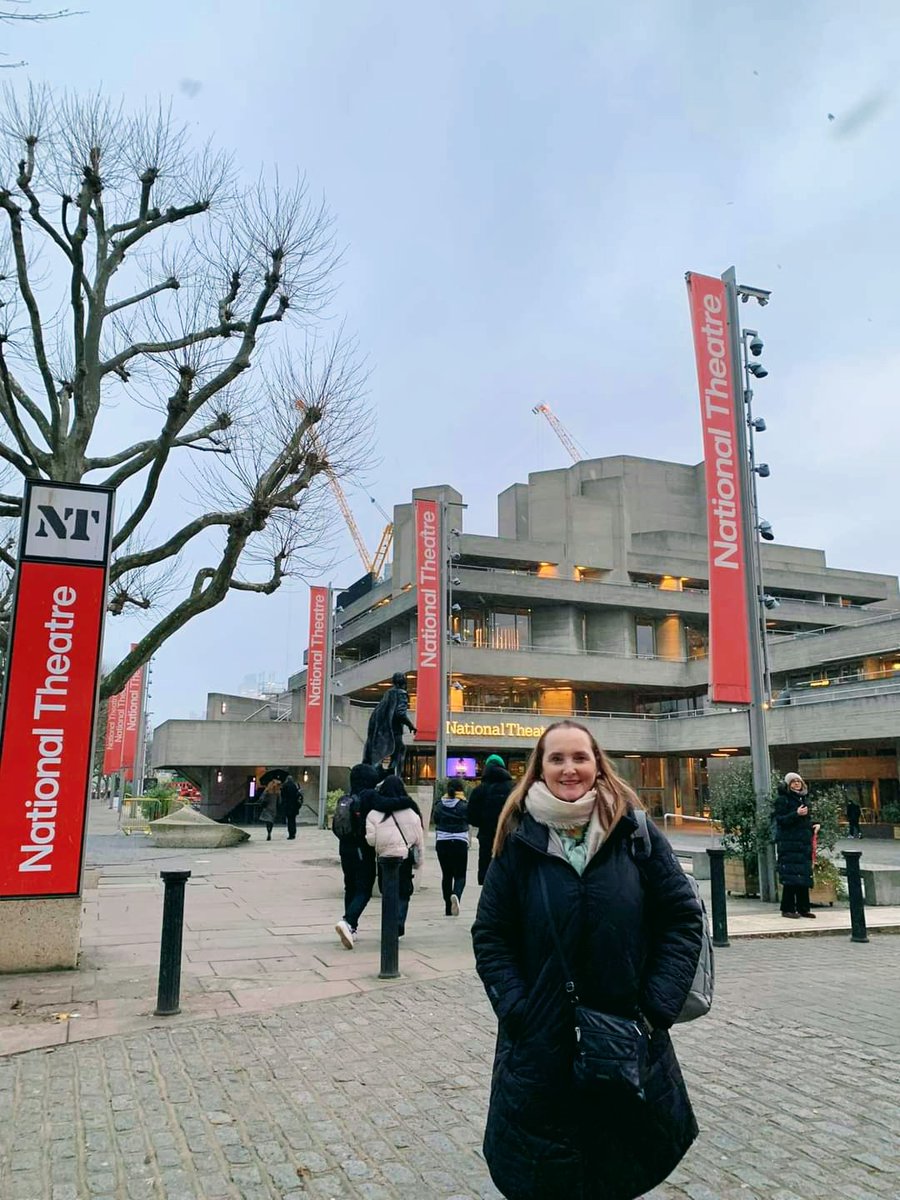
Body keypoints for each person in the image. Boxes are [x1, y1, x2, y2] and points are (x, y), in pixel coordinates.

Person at [472, 719, 703, 1200]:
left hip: (626, 1033)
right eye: (556, 758)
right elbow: (492, 935)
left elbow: (682, 917)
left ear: (597, 764)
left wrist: (655, 1008)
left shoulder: (634, 832)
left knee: (619, 1162)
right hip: (541, 1040)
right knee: (547, 1167)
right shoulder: (518, 839)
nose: (569, 768)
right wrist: (517, 1009)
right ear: (540, 768)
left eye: (579, 757)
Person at [365, 775, 424, 938]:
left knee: (387, 891)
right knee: (404, 892)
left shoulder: (374, 813)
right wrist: (419, 863)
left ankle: (389, 923)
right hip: (404, 858)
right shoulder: (411, 812)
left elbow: (371, 840)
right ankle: (398, 922)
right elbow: (419, 840)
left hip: (384, 858)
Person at [334, 763, 380, 950]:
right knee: (364, 888)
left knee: (350, 886)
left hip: (344, 847)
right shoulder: (368, 798)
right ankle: (348, 921)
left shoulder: (347, 798)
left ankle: (351, 928)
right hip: (362, 849)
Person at [775, 771, 820, 919]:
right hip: (789, 844)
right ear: (788, 785)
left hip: (803, 844)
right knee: (791, 878)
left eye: (798, 781)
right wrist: (796, 814)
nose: (796, 784)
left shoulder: (804, 799)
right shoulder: (783, 800)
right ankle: (787, 908)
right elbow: (780, 820)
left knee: (803, 876)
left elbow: (805, 820)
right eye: (793, 782)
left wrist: (814, 825)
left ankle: (803, 908)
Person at [467, 753, 514, 885]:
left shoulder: (479, 790)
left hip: (486, 836)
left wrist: (484, 822)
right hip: (509, 836)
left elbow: (471, 817)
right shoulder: (513, 789)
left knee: (487, 870)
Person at [362, 672, 417, 776]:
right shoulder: (401, 693)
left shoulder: (388, 693)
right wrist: (411, 725)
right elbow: (400, 713)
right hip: (394, 731)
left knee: (393, 753)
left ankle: (389, 774)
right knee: (399, 752)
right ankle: (394, 777)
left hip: (385, 730)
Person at [434, 779, 470, 917]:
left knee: (446, 875)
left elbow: (436, 820)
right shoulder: (463, 805)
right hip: (460, 841)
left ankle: (448, 907)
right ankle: (456, 895)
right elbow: (469, 819)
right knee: (460, 875)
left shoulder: (439, 805)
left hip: (442, 841)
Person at [280, 773, 303, 840]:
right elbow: (297, 796)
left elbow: (283, 796)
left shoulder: (285, 786)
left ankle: (290, 834)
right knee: (293, 820)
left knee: (289, 821)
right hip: (294, 806)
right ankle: (293, 833)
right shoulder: (294, 786)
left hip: (288, 806)